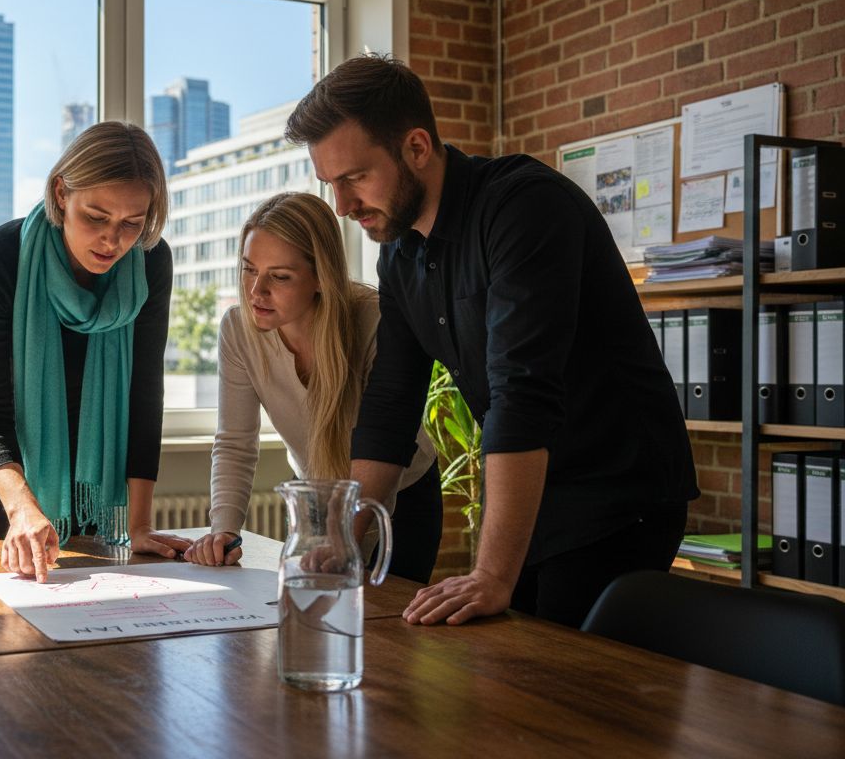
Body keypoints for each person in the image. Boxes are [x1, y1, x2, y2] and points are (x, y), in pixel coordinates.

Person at [284, 54, 697, 628]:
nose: (343, 206)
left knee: (555, 672)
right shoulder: (399, 254)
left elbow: (521, 392)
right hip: (535, 495)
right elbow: (391, 403)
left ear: (417, 147)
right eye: (330, 184)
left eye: (354, 178)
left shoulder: (524, 207)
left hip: (618, 494)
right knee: (504, 659)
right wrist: (343, 542)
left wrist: (492, 574)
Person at [0, 122, 191, 582]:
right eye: (96, 217)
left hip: (92, 469)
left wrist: (139, 525)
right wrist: (21, 507)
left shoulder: (151, 261)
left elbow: (144, 395)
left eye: (132, 223)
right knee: (0, 602)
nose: (112, 241)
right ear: (61, 193)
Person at [183, 192, 443, 583]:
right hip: (319, 496)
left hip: (400, 499)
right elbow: (235, 442)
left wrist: (347, 543)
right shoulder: (237, 330)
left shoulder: (374, 319)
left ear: (321, 276)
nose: (256, 291)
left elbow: (387, 443)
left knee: (380, 617)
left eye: (279, 277)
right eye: (249, 269)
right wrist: (224, 530)